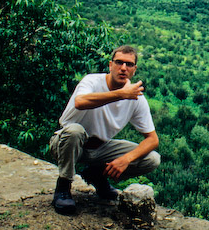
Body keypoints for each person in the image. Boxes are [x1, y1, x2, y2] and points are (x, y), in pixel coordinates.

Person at [50, 45, 160, 215]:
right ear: (110, 65)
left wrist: (125, 159)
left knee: (152, 159)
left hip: (99, 149)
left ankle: (97, 174)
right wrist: (120, 94)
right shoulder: (92, 81)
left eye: (129, 64)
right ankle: (63, 186)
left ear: (134, 70)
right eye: (119, 62)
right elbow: (80, 102)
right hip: (67, 143)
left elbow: (152, 139)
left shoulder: (136, 98)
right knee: (75, 131)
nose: (123, 68)